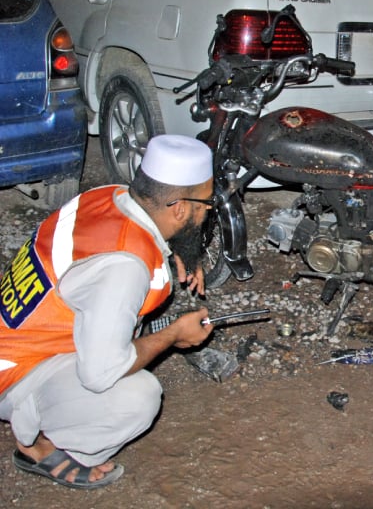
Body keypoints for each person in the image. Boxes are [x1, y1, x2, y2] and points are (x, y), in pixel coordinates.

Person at [0, 134, 216, 489]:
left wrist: (176, 249)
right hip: (14, 372)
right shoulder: (123, 268)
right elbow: (101, 373)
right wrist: (174, 335)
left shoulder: (110, 196)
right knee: (137, 398)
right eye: (204, 205)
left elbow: (137, 240)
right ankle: (39, 446)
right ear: (179, 209)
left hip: (21, 332)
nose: (207, 212)